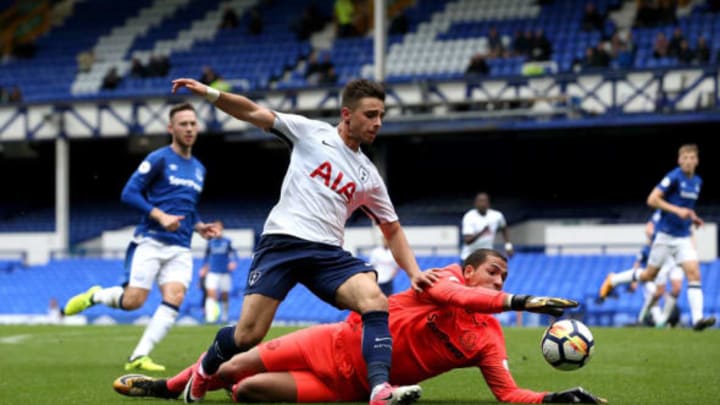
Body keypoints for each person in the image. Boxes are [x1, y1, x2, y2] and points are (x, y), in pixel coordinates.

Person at [170, 77, 437, 404]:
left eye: (381, 115)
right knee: (247, 335)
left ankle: (380, 389)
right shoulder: (310, 132)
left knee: (374, 300)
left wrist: (413, 272)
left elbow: (391, 228)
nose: (377, 123)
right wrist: (209, 94)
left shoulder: (368, 175)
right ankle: (205, 370)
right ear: (346, 114)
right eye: (370, 114)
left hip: (327, 254)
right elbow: (253, 112)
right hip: (281, 244)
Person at [113, 249, 606, 404]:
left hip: (354, 384)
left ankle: (203, 385)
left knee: (245, 391)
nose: (498, 278)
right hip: (332, 342)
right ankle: (165, 387)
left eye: (505, 275)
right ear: (470, 271)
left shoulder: (489, 339)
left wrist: (554, 399)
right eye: (492, 272)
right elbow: (459, 296)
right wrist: (517, 300)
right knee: (235, 362)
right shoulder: (438, 280)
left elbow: (508, 394)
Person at [61, 103, 220, 371]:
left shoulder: (199, 169)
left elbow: (187, 207)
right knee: (133, 301)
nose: (190, 128)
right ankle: (96, 296)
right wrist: (160, 216)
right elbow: (129, 193)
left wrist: (199, 226)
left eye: (193, 123)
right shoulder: (158, 158)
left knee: (176, 296)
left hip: (181, 246)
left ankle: (139, 356)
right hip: (151, 240)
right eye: (183, 124)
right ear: (171, 128)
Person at [598, 144, 716, 331]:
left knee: (694, 274)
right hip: (665, 236)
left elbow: (686, 206)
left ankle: (697, 320)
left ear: (697, 160)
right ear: (679, 160)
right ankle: (613, 279)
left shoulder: (697, 181)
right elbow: (652, 199)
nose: (688, 161)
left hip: (684, 237)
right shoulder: (674, 176)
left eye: (691, 157)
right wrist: (678, 211)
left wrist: (693, 217)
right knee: (648, 275)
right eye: (684, 158)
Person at [600, 209, 683, 327]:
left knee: (667, 291)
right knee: (654, 290)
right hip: (652, 271)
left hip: (672, 255)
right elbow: (648, 230)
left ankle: (660, 321)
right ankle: (614, 279)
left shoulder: (682, 211)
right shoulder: (661, 214)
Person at [200, 220, 239, 323]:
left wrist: (233, 262)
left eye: (219, 228)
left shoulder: (227, 241)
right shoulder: (210, 242)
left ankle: (225, 316)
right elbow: (206, 256)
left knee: (225, 295)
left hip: (224, 273)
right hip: (212, 272)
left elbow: (234, 253)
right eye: (215, 228)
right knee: (211, 294)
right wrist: (204, 267)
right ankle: (210, 318)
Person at [460, 192, 513, 261]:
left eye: (484, 201)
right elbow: (468, 240)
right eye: (480, 201)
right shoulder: (469, 217)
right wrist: (482, 232)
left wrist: (508, 246)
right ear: (475, 203)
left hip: (487, 257)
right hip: (469, 257)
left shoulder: (497, 215)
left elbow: (504, 228)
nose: (482, 204)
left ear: (488, 203)